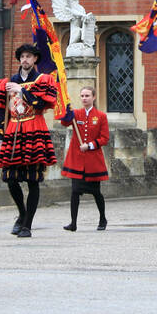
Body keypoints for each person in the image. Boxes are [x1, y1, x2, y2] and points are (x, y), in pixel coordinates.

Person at [0, 43, 58, 239]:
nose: (25, 60)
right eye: (22, 57)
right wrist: (1, 132)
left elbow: (42, 103)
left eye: (29, 56)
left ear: (35, 59)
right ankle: (22, 212)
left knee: (33, 180)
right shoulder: (6, 83)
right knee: (9, 178)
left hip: (34, 127)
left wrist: (22, 91)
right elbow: (1, 110)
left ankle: (27, 224)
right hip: (14, 131)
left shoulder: (43, 80)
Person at [62, 86, 110, 232]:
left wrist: (90, 145)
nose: (84, 98)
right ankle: (73, 223)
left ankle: (102, 218)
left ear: (94, 97)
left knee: (96, 193)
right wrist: (66, 112)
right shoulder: (76, 114)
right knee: (75, 191)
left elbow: (104, 138)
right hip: (77, 161)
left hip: (92, 161)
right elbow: (64, 123)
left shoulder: (101, 116)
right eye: (82, 96)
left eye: (87, 96)